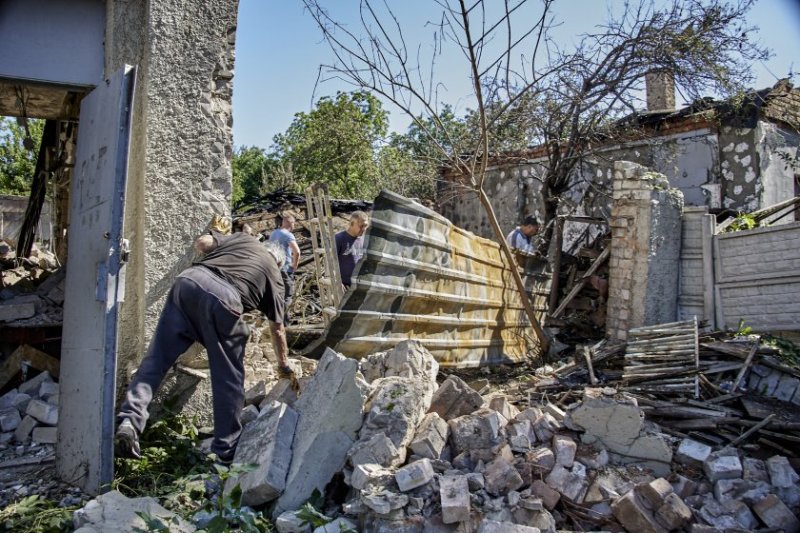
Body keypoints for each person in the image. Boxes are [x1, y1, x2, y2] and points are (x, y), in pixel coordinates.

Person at [115, 227, 297, 464]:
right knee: (228, 378)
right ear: (280, 262)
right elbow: (277, 328)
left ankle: (130, 420)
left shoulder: (243, 239)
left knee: (157, 359)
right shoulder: (275, 275)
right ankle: (225, 449)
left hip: (188, 282)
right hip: (225, 299)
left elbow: (202, 243)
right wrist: (283, 365)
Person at [269, 214, 301, 326]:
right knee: (287, 296)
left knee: (277, 296)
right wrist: (294, 265)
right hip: (285, 270)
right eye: (293, 223)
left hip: (273, 269)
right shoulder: (288, 235)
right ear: (291, 223)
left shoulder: (273, 234)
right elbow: (297, 252)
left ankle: (275, 321)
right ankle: (285, 324)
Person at [335, 210, 369, 288]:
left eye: (365, 226)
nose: (363, 229)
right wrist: (337, 282)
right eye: (361, 226)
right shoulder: (339, 238)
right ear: (352, 224)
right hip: (344, 286)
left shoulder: (364, 240)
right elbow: (331, 262)